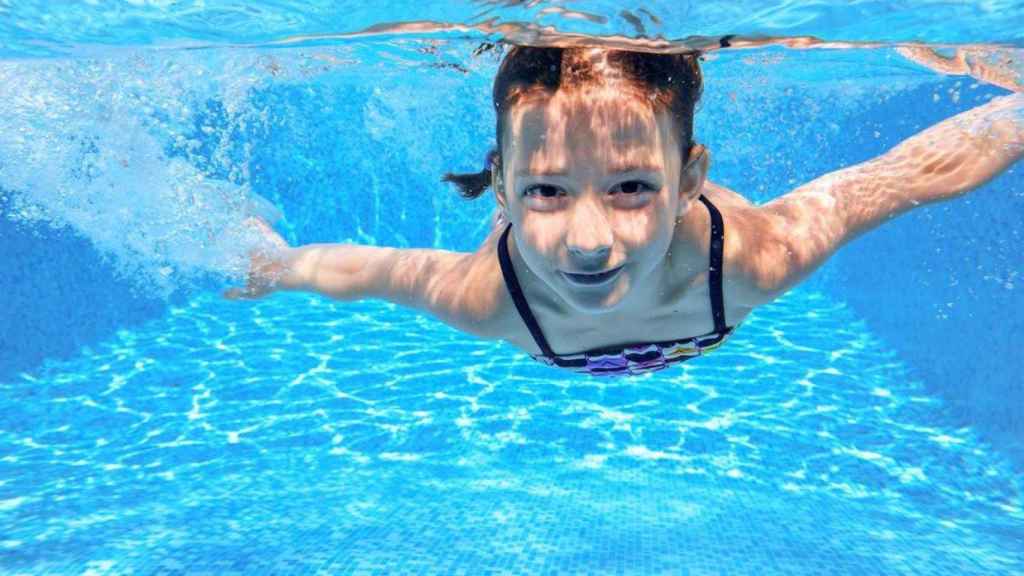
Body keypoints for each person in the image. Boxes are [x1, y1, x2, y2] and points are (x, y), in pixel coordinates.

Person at [225, 45, 1023, 377]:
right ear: (501, 190)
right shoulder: (490, 296)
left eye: (632, 187)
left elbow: (912, 173)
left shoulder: (756, 257)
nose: (588, 240)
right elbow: (362, 273)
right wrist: (275, 267)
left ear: (688, 180)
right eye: (545, 190)